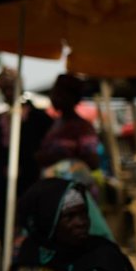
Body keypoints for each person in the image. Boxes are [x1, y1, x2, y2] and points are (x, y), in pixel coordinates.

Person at [11, 178, 136, 271]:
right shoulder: (29, 260)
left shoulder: (105, 258)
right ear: (47, 223)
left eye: (84, 213)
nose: (81, 222)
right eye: (70, 216)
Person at [37, 73, 114, 241]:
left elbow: (93, 161)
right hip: (55, 194)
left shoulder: (83, 127)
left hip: (75, 197)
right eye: (54, 92)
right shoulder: (56, 125)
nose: (54, 97)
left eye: (59, 93)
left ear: (71, 96)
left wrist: (63, 157)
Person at [0, 67, 53, 239]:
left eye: (10, 88)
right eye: (4, 89)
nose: (7, 93)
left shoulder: (38, 117)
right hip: (6, 182)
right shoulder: (1, 119)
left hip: (31, 179)